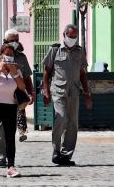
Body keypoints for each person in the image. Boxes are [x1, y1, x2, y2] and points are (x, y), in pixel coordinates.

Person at [0, 29, 35, 168]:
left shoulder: (21, 57)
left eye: (17, 39)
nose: (16, 42)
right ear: (5, 41)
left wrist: (31, 92)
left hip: (15, 98)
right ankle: (0, 157)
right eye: (13, 40)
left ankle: (10, 161)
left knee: (10, 131)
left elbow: (27, 77)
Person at [42, 24, 93, 166]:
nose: (72, 38)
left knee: (72, 123)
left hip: (74, 91)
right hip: (58, 90)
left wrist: (87, 93)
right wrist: (45, 91)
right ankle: (56, 150)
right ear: (64, 34)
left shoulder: (80, 51)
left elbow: (82, 74)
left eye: (74, 36)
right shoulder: (55, 50)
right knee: (61, 117)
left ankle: (66, 155)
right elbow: (47, 72)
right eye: (70, 36)